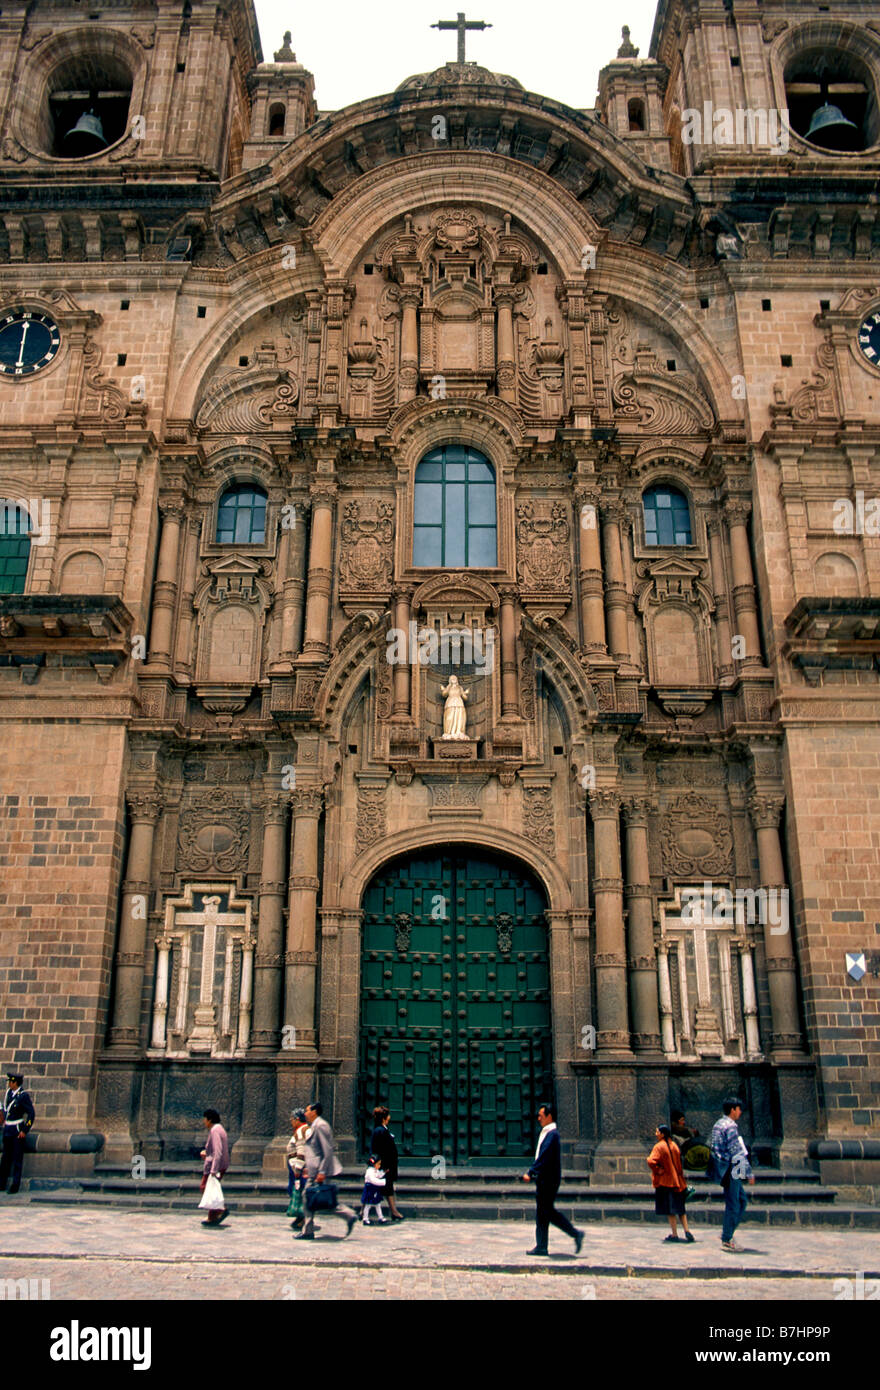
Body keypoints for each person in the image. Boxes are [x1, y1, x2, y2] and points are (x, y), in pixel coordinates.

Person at [522, 1102, 584, 1257]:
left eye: (541, 1115)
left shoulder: (552, 1135)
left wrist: (531, 1172)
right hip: (544, 1178)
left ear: (549, 1116)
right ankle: (541, 1246)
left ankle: (575, 1233)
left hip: (548, 1180)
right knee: (543, 1212)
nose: (538, 1118)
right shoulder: (548, 1133)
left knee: (547, 1211)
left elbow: (544, 1156)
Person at [296, 1101, 357, 1240]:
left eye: (307, 1110)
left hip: (319, 1171)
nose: (305, 1113)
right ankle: (308, 1230)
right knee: (312, 1198)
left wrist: (322, 1172)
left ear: (314, 1111)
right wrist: (307, 1167)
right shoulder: (315, 1125)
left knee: (319, 1199)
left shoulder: (321, 1125)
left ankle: (348, 1215)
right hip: (315, 1170)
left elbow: (327, 1150)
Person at [709, 1096, 755, 1252]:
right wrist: (747, 1172)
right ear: (732, 1110)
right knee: (734, 1203)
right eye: (739, 1109)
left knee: (741, 1200)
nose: (740, 1112)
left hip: (723, 1166)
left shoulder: (718, 1124)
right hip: (731, 1168)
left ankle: (727, 1232)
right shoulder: (730, 1127)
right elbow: (737, 1152)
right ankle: (727, 1237)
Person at [647, 1124, 695, 1243]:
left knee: (670, 1209)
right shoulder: (674, 1146)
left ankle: (674, 1234)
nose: (656, 1134)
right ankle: (687, 1230)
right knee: (680, 1208)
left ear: (662, 1134)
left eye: (657, 1132)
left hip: (666, 1181)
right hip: (678, 1182)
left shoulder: (659, 1147)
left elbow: (651, 1161)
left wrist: (659, 1170)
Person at [0, 1072, 35, 1194]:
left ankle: (15, 1185)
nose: (9, 1084)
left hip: (16, 1129)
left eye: (11, 1082)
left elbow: (31, 1113)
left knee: (17, 1159)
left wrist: (25, 1130)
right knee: (5, 1158)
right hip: (8, 1130)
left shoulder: (23, 1096)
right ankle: (2, 1183)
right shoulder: (9, 1094)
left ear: (15, 1083)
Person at [369, 1106, 404, 1221]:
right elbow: (381, 1150)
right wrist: (383, 1166)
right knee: (379, 1188)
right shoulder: (380, 1131)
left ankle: (393, 1211)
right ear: (384, 1118)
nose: (389, 1117)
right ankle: (394, 1212)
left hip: (386, 1165)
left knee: (383, 1188)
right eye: (388, 1115)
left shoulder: (382, 1129)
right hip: (384, 1166)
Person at [199, 1108, 229, 1227]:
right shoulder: (218, 1129)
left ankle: (220, 1210)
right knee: (210, 1189)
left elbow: (218, 1151)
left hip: (215, 1166)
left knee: (205, 1187)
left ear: (209, 1120)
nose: (204, 1122)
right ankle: (212, 1216)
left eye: (205, 1119)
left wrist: (213, 1170)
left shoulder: (215, 1130)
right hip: (218, 1164)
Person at [286, 1108, 309, 1230]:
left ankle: (303, 1218)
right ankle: (301, 1218)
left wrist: (298, 1168)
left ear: (297, 1119)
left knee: (298, 1192)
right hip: (296, 1167)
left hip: (298, 1169)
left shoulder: (301, 1131)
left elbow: (301, 1150)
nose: (291, 1121)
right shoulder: (302, 1130)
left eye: (292, 1119)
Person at [360, 1157, 388, 1225]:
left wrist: (383, 1172)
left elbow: (378, 1175)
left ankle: (381, 1217)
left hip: (375, 1189)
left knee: (377, 1204)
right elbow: (374, 1180)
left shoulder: (375, 1170)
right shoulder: (370, 1171)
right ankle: (365, 1218)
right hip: (370, 1189)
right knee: (368, 1205)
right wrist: (384, 1182)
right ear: (373, 1164)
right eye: (378, 1164)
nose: (379, 1165)